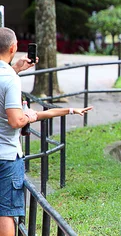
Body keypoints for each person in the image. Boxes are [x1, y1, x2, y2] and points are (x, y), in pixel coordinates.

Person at [0, 28, 93, 236]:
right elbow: (16, 121)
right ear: (14, 47)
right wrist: (29, 117)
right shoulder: (10, 80)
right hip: (6, 156)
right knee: (6, 212)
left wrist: (15, 68)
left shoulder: (8, 75)